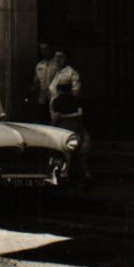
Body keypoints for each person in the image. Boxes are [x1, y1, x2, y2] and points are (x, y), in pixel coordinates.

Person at [48, 53, 92, 188]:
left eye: (60, 57)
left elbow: (56, 117)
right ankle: (85, 173)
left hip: (64, 127)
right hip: (76, 126)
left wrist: (57, 120)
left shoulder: (59, 98)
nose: (57, 59)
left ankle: (65, 172)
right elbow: (79, 113)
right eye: (55, 57)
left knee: (65, 150)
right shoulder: (57, 74)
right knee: (78, 152)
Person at [32, 41, 59, 121]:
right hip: (42, 99)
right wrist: (35, 87)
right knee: (43, 119)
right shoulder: (39, 66)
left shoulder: (57, 65)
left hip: (55, 98)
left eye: (46, 49)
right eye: (42, 49)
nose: (44, 52)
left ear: (50, 49)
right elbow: (36, 81)